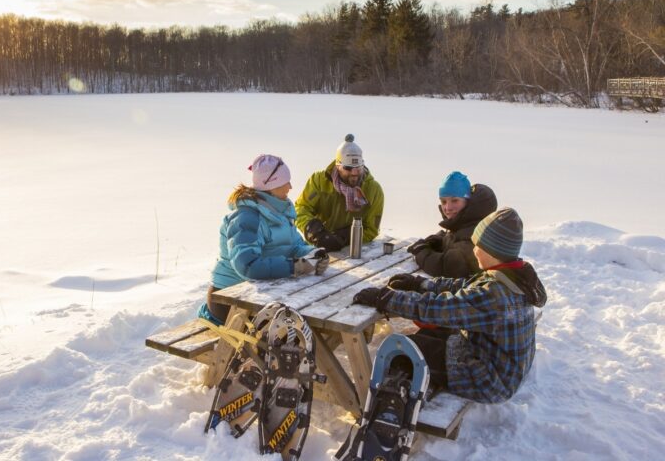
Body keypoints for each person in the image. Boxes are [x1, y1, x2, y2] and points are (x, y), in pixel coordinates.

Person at [353, 208, 546, 403]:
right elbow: (464, 286)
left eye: (477, 245)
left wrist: (385, 298)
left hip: (490, 381)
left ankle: (392, 409)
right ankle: (424, 382)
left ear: (492, 250)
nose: (473, 249)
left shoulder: (494, 295)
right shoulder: (510, 277)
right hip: (501, 368)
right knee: (429, 336)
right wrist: (420, 284)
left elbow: (438, 309)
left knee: (405, 351)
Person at [198, 154, 329, 326]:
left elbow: (295, 245)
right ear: (271, 185)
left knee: (302, 323)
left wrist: (313, 253)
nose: (290, 186)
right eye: (285, 182)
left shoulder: (279, 211)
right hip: (229, 300)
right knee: (288, 333)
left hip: (261, 295)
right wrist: (295, 266)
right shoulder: (246, 217)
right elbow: (248, 265)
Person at [295, 134, 384, 252]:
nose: (354, 173)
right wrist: (313, 229)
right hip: (317, 249)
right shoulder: (319, 181)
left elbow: (371, 229)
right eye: (348, 168)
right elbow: (301, 208)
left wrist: (345, 236)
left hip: (352, 251)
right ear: (338, 166)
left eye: (358, 167)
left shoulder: (374, 190)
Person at [408, 171, 497, 279]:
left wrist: (420, 251)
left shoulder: (475, 233)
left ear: (468, 202)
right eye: (444, 202)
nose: (448, 208)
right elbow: (455, 237)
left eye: (455, 200)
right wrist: (440, 240)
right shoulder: (464, 223)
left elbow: (447, 266)